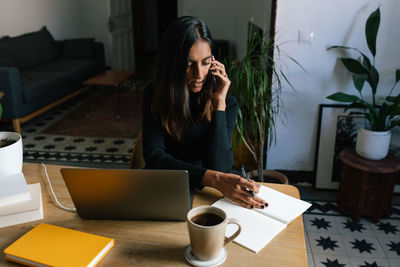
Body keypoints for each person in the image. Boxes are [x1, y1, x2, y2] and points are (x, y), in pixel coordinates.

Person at [142, 16, 266, 209]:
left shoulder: (227, 102)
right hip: (163, 186)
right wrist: (215, 179)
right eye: (189, 64)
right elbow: (154, 158)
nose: (199, 75)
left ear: (214, 62)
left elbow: (220, 167)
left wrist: (219, 105)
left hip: (204, 192)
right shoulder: (154, 94)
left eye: (206, 63)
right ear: (173, 63)